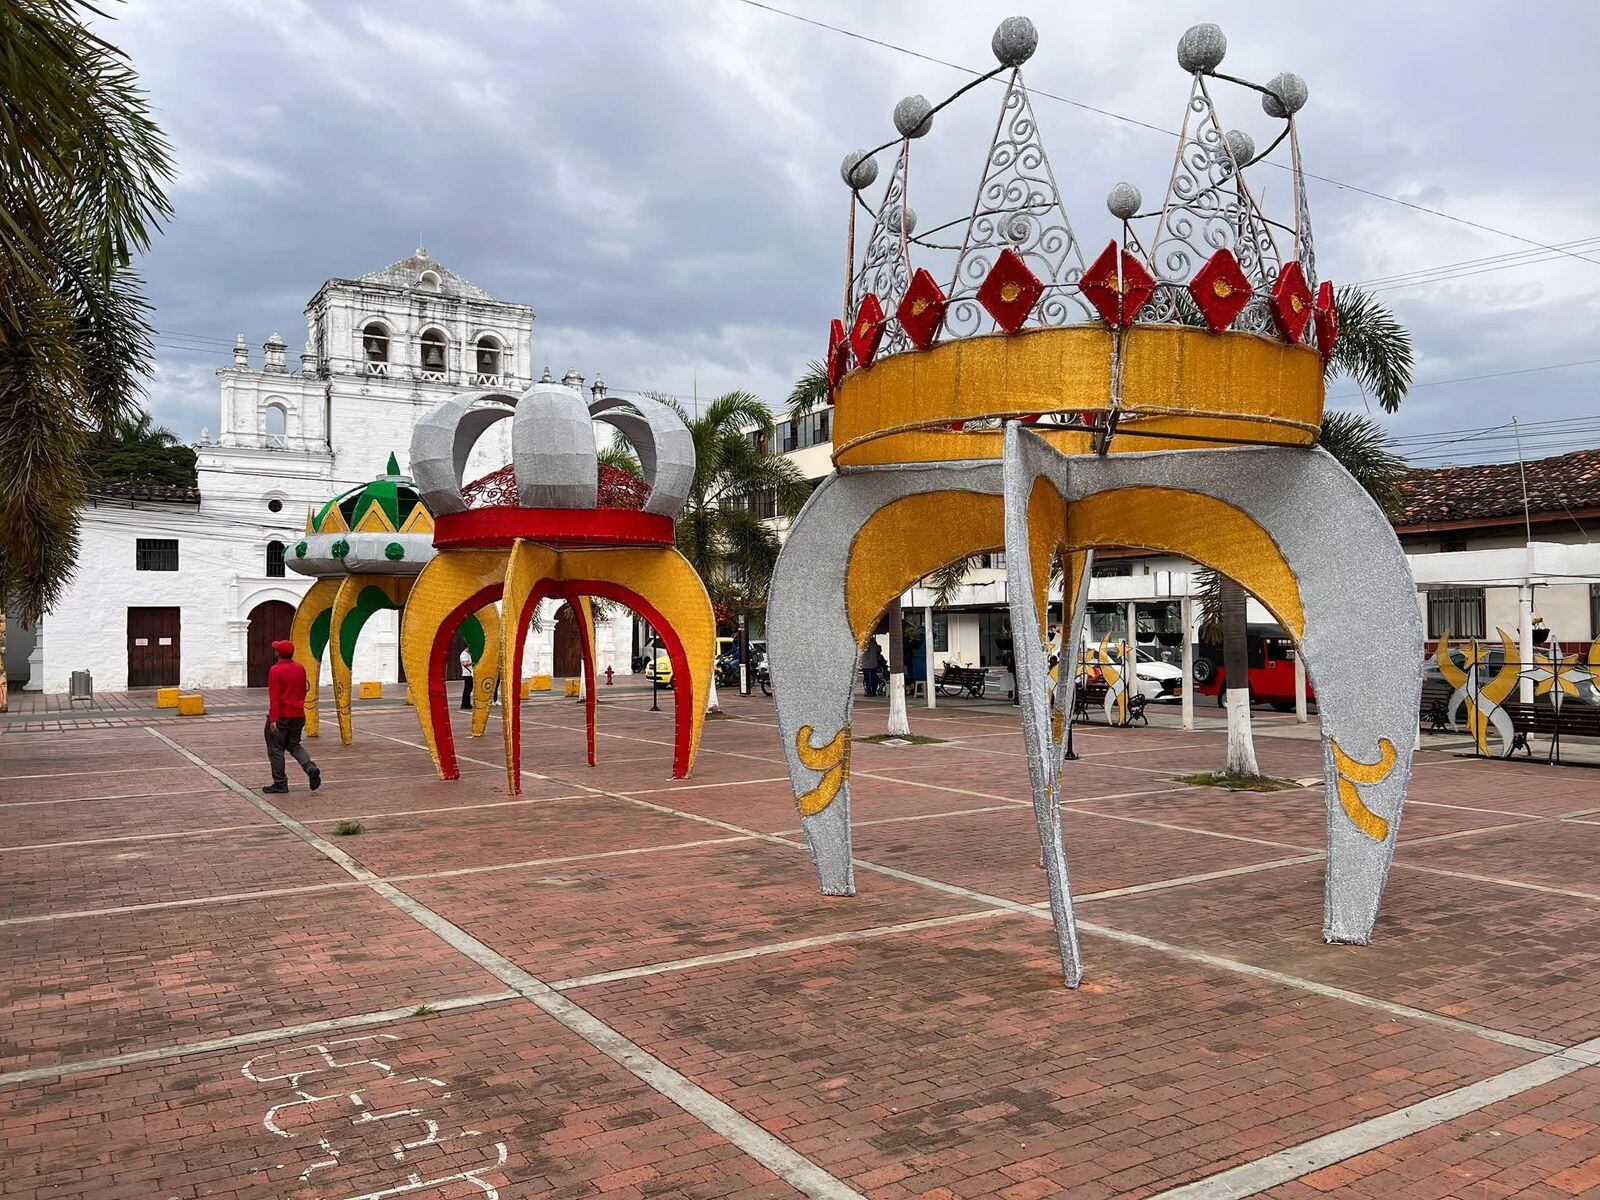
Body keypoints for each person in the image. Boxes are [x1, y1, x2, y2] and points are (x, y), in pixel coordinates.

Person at [262, 640, 319, 794]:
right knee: (294, 745)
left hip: (282, 716)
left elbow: (275, 697)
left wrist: (273, 719)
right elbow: (304, 689)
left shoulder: (275, 670)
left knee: (276, 749)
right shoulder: (300, 668)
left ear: (278, 653)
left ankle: (280, 783)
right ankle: (310, 767)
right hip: (298, 715)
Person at [459, 646, 474, 710]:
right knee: (467, 690)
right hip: (467, 674)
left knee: (468, 690)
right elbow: (465, 663)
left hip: (469, 674)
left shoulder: (468, 654)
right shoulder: (464, 654)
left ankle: (467, 704)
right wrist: (473, 662)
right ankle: (465, 704)